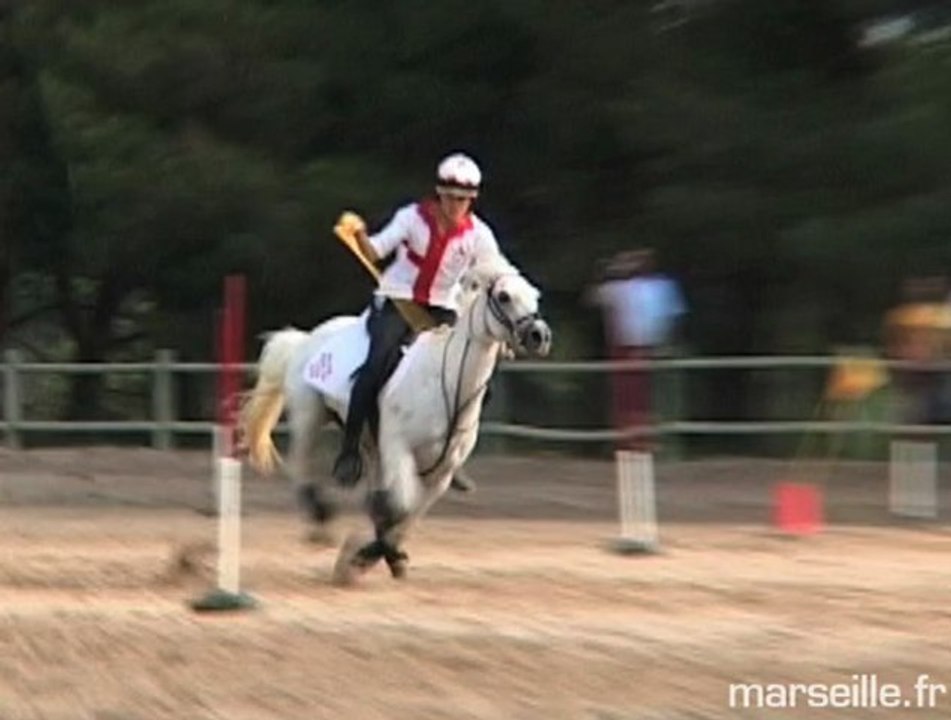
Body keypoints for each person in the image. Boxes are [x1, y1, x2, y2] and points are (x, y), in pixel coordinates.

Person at [333, 152, 518, 487]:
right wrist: (359, 236)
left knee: (475, 374)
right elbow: (376, 250)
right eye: (449, 198)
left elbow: (496, 273)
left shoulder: (479, 235)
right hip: (396, 301)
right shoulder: (411, 218)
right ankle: (350, 449)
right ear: (439, 194)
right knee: (376, 365)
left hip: (443, 308)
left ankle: (452, 453)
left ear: (471, 201)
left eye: (462, 199)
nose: (455, 205)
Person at [588, 248, 687, 451]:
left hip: (649, 345)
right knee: (631, 396)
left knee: (649, 394)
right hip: (629, 345)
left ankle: (651, 438)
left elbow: (672, 315)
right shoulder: (620, 288)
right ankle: (634, 439)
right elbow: (594, 297)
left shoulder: (658, 286)